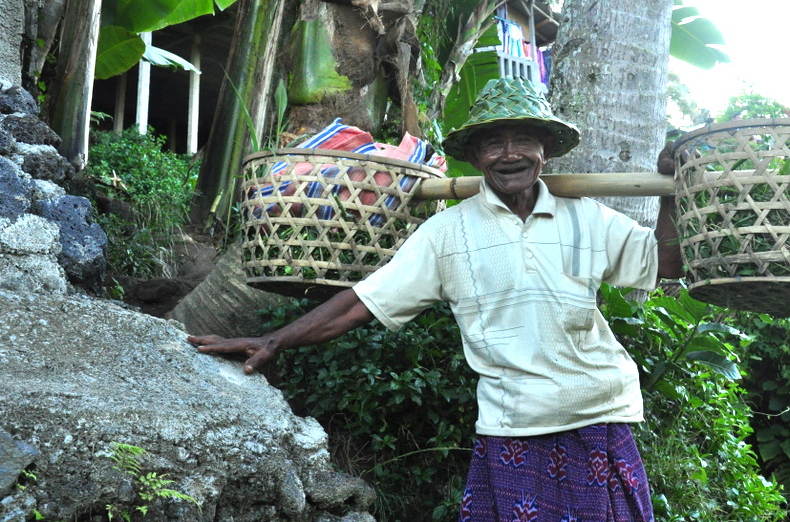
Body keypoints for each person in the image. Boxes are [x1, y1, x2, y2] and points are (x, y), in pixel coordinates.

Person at [189, 78, 684, 522]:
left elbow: (666, 263)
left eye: (523, 140)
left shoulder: (588, 218)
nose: (509, 154)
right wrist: (274, 340)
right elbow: (364, 302)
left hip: (598, 415)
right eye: (493, 143)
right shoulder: (447, 233)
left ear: (546, 150)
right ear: (475, 156)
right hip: (513, 425)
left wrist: (669, 195)